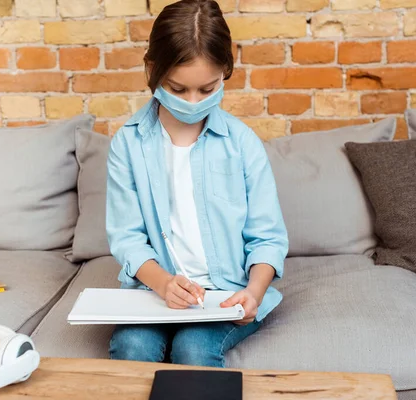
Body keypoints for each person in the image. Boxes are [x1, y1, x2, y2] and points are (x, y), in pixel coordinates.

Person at [105, 0, 289, 368]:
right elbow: (126, 237)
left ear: (226, 72)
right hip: (154, 291)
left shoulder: (242, 143)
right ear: (152, 71)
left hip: (226, 294)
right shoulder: (127, 144)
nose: (193, 102)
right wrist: (162, 283)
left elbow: (267, 237)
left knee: (192, 349)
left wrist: (252, 293)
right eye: (177, 88)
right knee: (133, 348)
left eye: (207, 89)